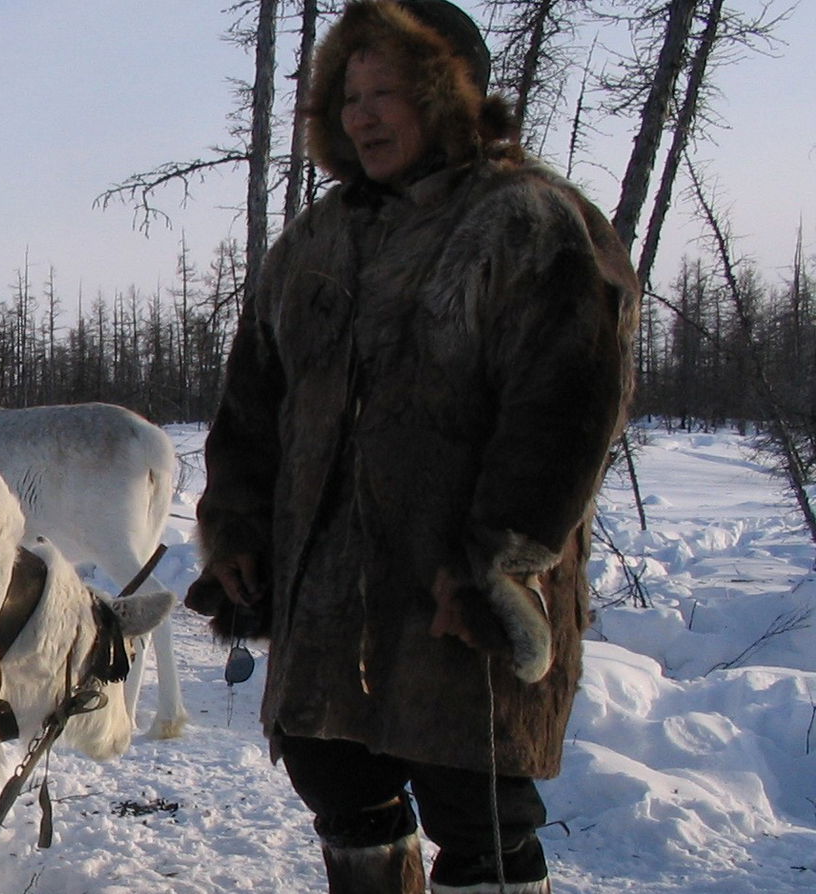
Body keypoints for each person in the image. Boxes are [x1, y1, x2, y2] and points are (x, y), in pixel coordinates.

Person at [183, 1, 637, 892]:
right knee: (339, 789)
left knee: (481, 819)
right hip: (325, 597)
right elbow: (250, 408)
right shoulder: (312, 243)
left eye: (387, 90)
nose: (363, 113)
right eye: (349, 94)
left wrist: (496, 566)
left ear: (447, 97)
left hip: (452, 588)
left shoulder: (527, 223)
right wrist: (236, 528)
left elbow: (567, 410)